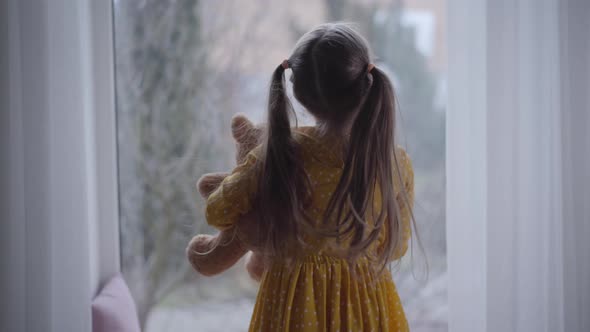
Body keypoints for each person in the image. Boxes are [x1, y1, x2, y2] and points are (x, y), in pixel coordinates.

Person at [205, 23, 415, 332]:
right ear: (366, 86)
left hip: (292, 312)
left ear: (299, 94)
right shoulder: (392, 162)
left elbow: (216, 212)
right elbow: (395, 248)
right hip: (368, 312)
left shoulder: (275, 157)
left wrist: (245, 174)